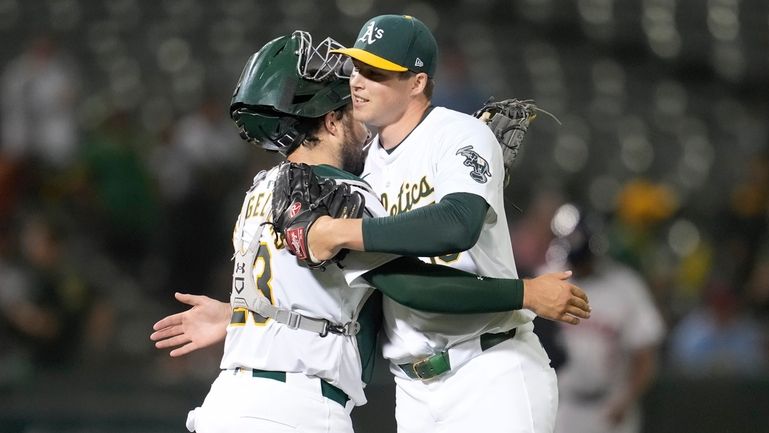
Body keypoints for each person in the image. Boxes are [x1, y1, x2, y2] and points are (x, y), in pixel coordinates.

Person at [152, 31, 589, 433]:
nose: (362, 121)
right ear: (328, 121)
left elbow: (310, 297)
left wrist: (239, 317)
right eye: (350, 112)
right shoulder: (342, 195)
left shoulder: (262, 189)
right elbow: (412, 287)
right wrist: (525, 294)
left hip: (229, 402)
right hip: (297, 409)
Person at [297, 14, 570, 433]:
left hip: (490, 368)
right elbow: (390, 285)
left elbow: (457, 223)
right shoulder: (361, 172)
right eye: (356, 68)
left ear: (417, 82)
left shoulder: (459, 134)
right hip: (412, 390)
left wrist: (345, 232)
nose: (357, 81)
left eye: (376, 72)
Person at [545, 204, 665, 433]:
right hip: (561, 405)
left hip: (610, 406)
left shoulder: (626, 286)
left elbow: (646, 355)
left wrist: (627, 400)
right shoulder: (547, 279)